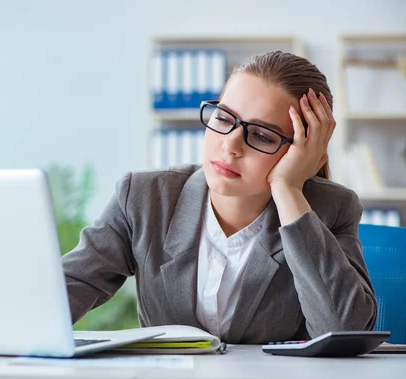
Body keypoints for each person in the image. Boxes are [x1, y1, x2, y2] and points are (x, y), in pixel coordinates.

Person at [62, 51, 377, 344]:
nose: (231, 146)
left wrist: (288, 188)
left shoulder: (330, 209)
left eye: (262, 135)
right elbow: (58, 295)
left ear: (304, 154)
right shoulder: (143, 200)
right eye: (224, 118)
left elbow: (343, 333)